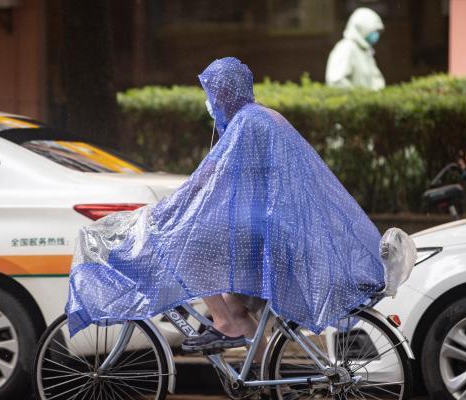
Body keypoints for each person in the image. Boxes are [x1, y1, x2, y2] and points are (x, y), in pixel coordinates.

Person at [66, 57, 414, 354]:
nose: (211, 101)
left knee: (183, 249)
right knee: (235, 293)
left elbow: (210, 177)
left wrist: (167, 211)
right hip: (278, 228)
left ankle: (225, 321)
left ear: (223, 92)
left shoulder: (246, 123)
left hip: (267, 232)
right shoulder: (264, 116)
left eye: (212, 93)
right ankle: (256, 363)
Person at [325, 7, 385, 90]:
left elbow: (376, 80)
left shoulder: (365, 51)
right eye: (373, 31)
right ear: (362, 28)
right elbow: (336, 81)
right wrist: (357, 97)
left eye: (377, 32)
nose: (376, 35)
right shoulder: (346, 48)